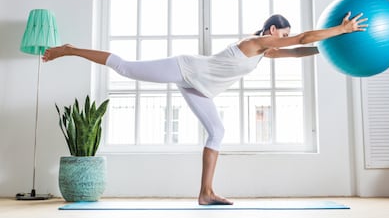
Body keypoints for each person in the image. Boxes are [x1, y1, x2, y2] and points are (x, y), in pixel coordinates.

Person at [42, 12, 367, 205]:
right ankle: (69, 50)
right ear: (271, 32)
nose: (285, 39)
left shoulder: (263, 52)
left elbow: (298, 51)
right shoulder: (255, 43)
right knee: (126, 68)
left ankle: (206, 193)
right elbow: (302, 38)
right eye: (282, 34)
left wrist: (329, 49)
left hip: (198, 86)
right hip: (186, 69)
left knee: (217, 131)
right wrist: (341, 29)